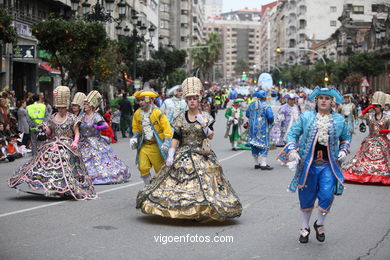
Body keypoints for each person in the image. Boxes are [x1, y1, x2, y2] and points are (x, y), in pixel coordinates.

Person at [136, 77, 242, 220]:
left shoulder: (205, 116)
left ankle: (202, 209)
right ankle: (182, 209)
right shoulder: (180, 117)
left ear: (199, 100)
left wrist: (204, 125)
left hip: (201, 153)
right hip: (183, 152)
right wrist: (171, 154)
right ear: (186, 101)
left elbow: (210, 136)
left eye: (194, 98)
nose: (192, 101)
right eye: (189, 99)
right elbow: (176, 137)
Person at [278, 87, 351, 243]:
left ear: (332, 101)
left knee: (327, 195)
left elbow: (346, 138)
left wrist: (344, 150)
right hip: (308, 165)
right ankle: (305, 227)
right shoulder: (306, 117)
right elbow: (292, 134)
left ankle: (319, 223)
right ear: (316, 100)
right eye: (321, 98)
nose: (324, 100)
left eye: (327, 98)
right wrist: (292, 149)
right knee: (306, 196)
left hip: (328, 165)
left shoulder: (339, 120)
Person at [8, 86, 96, 200]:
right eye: (59, 108)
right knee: (40, 161)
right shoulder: (52, 117)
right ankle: (52, 185)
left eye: (63, 108)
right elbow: (50, 132)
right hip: (52, 143)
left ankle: (68, 187)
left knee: (66, 163)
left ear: (66, 107)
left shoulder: (72, 118)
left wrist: (75, 142)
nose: (61, 110)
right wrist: (45, 129)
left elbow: (77, 133)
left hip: (67, 145)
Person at [78, 91, 131, 185]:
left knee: (98, 160)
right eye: (84, 104)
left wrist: (97, 127)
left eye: (86, 104)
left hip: (95, 141)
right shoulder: (82, 116)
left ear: (91, 105)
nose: (84, 106)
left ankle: (98, 175)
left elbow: (105, 125)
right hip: (83, 142)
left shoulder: (96, 116)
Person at [343, 91, 390, 185]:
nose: (375, 108)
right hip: (370, 140)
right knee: (361, 158)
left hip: (383, 141)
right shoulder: (370, 116)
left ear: (381, 107)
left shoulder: (387, 117)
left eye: (377, 106)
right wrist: (368, 108)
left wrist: (385, 131)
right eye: (374, 106)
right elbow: (359, 116)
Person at [130, 90, 172, 185]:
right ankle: (148, 188)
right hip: (144, 146)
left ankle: (162, 188)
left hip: (157, 146)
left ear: (149, 100)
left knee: (160, 169)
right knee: (143, 167)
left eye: (142, 100)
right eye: (139, 100)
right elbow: (136, 127)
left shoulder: (158, 113)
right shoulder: (137, 114)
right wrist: (134, 137)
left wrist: (166, 142)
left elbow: (167, 129)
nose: (140, 102)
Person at [246, 89, 274, 170]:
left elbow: (247, 114)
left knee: (254, 144)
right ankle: (263, 164)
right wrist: (270, 122)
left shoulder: (251, 104)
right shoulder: (266, 105)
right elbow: (270, 117)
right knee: (264, 145)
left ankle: (256, 163)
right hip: (262, 128)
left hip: (252, 128)